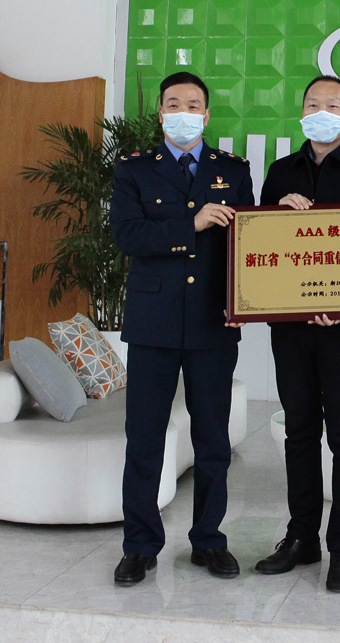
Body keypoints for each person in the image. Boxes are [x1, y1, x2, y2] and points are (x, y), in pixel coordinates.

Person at [110, 71, 254, 586]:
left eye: (193, 105)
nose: (183, 112)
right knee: (144, 438)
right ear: (161, 113)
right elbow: (126, 234)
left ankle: (209, 540)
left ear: (207, 115)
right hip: (153, 322)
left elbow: (248, 243)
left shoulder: (232, 169)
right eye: (174, 104)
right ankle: (139, 546)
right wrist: (189, 224)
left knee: (213, 439)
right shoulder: (134, 169)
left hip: (214, 320)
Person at [254, 75, 340, 593]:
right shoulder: (280, 172)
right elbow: (260, 246)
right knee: (298, 432)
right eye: (313, 103)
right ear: (302, 112)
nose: (322, 111)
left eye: (333, 105)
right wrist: (277, 213)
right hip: (289, 326)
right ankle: (301, 537)